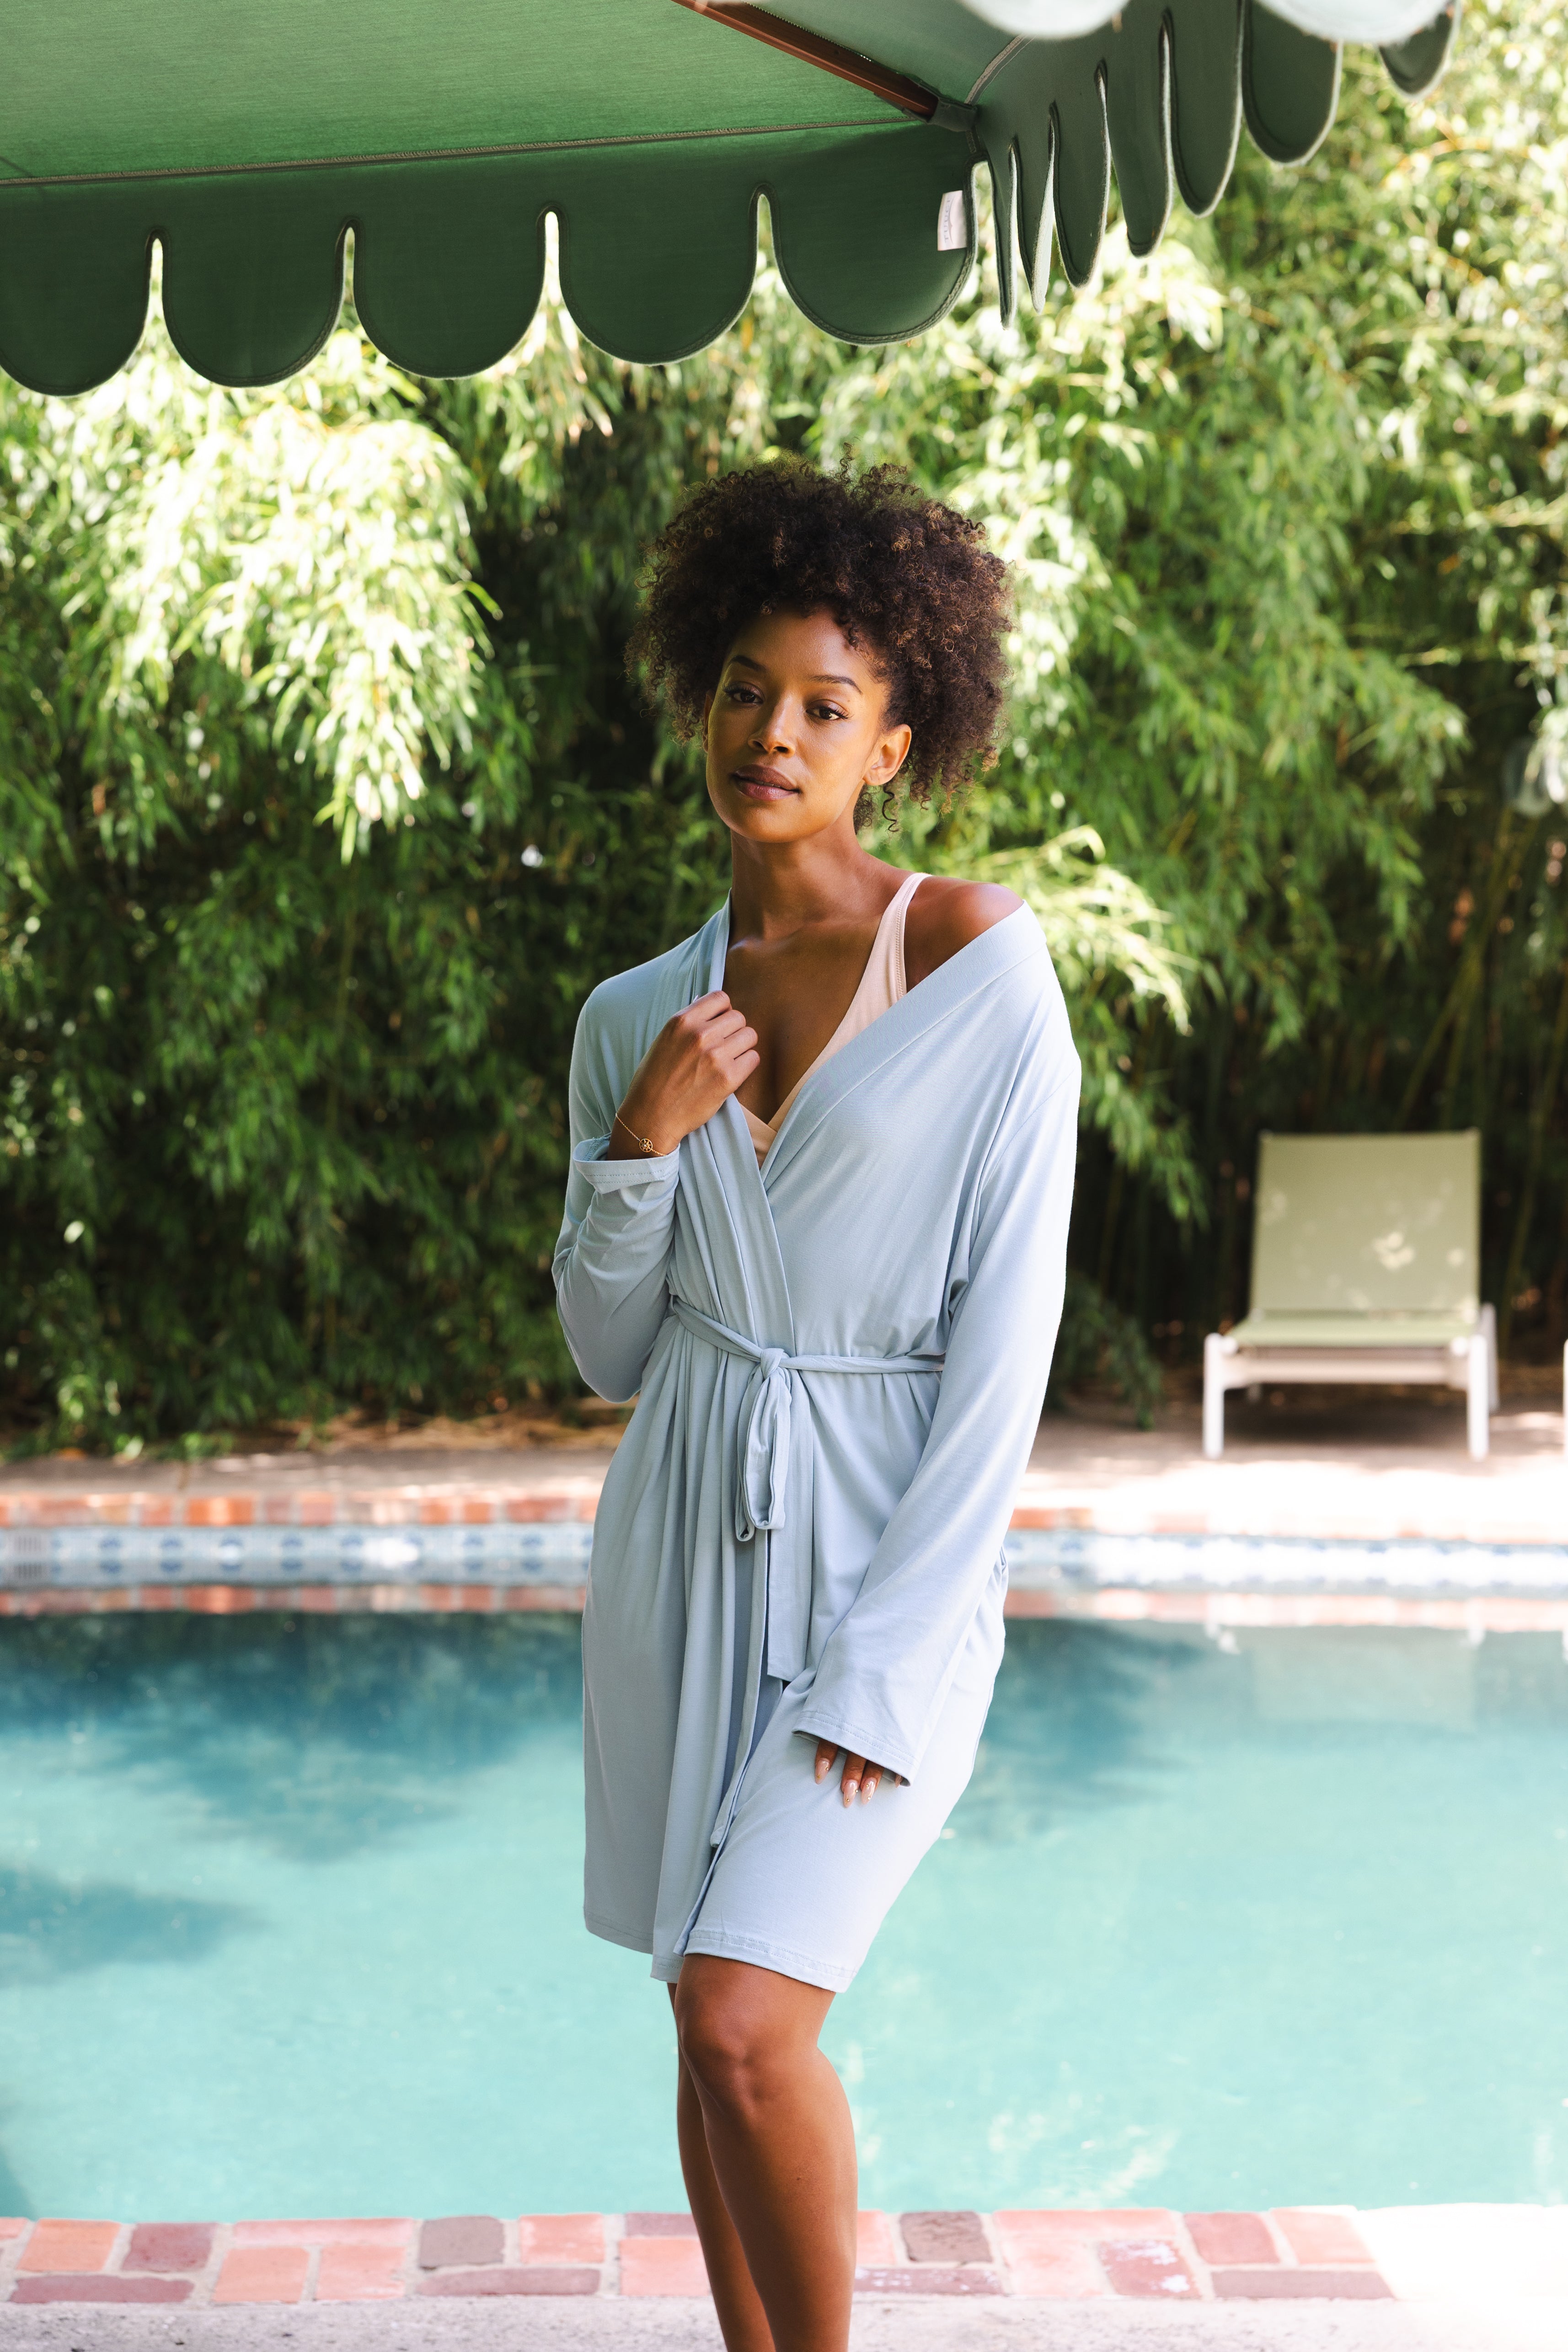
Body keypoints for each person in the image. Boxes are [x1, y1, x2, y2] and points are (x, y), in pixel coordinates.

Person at [552, 461, 1079, 2352]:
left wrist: (888, 1660)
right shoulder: (638, 1018)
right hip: (683, 1545)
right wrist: (639, 1146)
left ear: (897, 741)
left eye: (824, 704)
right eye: (744, 687)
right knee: (701, 2019)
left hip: (885, 1567)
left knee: (747, 2021)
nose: (770, 730)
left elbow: (1004, 1359)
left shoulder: (979, 969)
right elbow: (609, 1351)